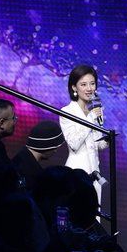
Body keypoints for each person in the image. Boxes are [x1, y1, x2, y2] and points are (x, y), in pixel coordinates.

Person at [59, 65, 111, 207]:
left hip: (95, 172)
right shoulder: (67, 111)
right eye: (83, 84)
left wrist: (107, 141)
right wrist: (91, 117)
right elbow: (74, 144)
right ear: (74, 87)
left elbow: (96, 144)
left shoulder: (96, 109)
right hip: (77, 172)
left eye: (92, 84)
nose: (89, 88)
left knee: (94, 214)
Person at [13, 122, 64, 190]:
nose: (55, 151)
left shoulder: (24, 159)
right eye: (55, 147)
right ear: (45, 145)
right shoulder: (27, 171)